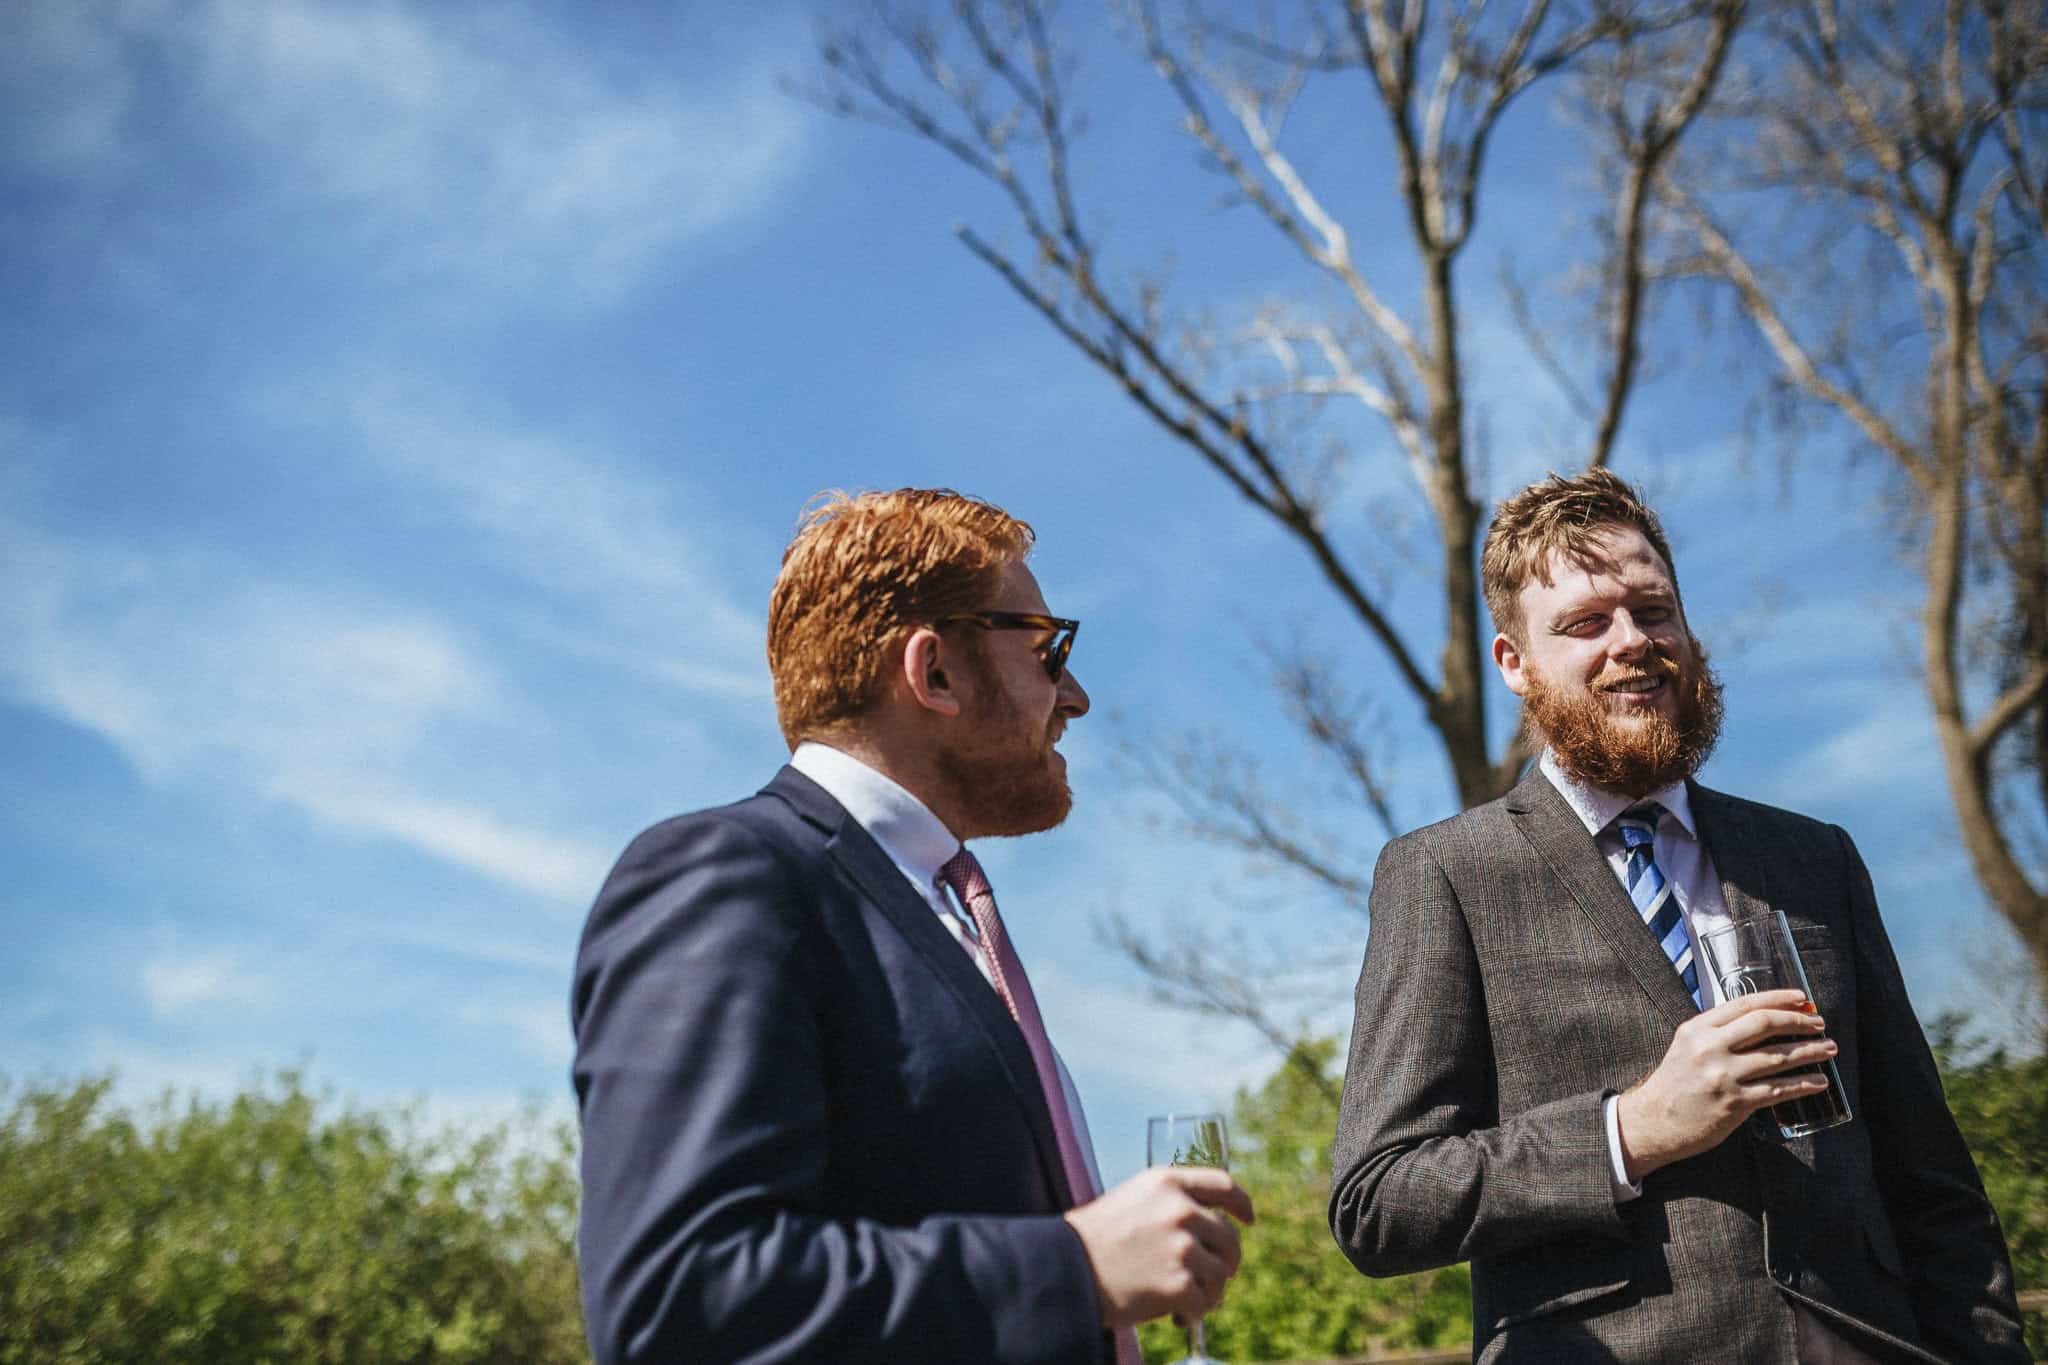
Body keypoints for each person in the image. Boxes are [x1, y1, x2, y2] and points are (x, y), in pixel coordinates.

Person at [1328, 470, 2026, 1361]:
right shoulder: (1443, 873)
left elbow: (1934, 1181)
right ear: (1514, 662)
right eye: (1586, 623)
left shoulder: (1816, 858)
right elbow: (1378, 1200)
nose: (1634, 642)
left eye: (1654, 611)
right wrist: (1633, 1129)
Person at [572, 488, 1254, 1365]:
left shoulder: (946, 911)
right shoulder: (729, 873)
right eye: (1049, 650)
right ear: (933, 672)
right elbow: (678, 1301)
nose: (1075, 695)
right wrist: (1075, 1267)